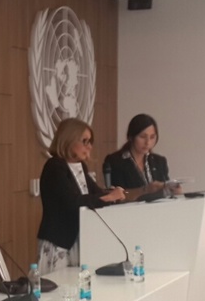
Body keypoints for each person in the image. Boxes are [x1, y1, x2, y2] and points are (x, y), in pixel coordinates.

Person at [38, 118, 126, 273]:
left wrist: (111, 193)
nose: (89, 146)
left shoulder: (80, 166)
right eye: (85, 141)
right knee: (56, 284)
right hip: (58, 240)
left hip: (79, 238)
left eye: (90, 142)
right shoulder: (55, 166)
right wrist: (108, 197)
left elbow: (94, 193)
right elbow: (72, 201)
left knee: (77, 283)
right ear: (69, 139)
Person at [102, 113, 178, 201]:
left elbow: (165, 190)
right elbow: (116, 194)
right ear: (131, 137)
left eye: (152, 137)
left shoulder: (159, 161)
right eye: (142, 137)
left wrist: (173, 190)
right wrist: (144, 190)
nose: (148, 142)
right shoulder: (115, 161)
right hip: (129, 208)